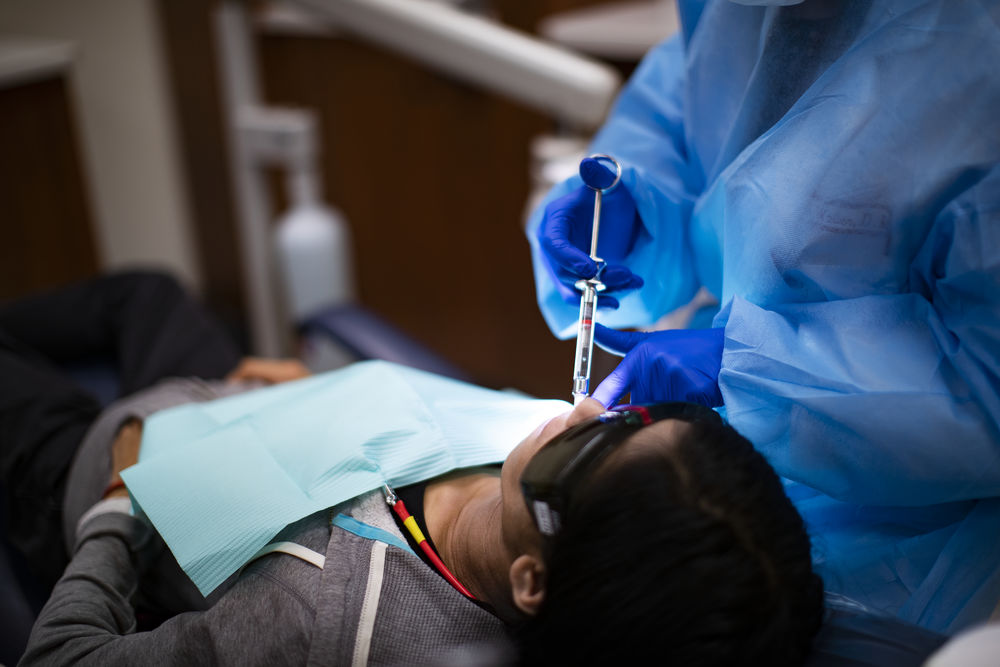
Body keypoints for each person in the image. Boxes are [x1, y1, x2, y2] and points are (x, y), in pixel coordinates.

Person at [2, 271, 823, 665]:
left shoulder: (314, 615)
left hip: (115, 461)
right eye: (625, 418)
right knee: (149, 292)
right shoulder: (529, 476)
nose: (578, 410)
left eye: (589, 444)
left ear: (533, 582)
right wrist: (314, 389)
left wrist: (118, 504)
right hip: (230, 398)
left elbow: (59, 660)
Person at [526, 0, 1000, 634]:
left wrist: (755, 373)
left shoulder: (978, 61)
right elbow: (685, 137)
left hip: (900, 544)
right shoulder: (728, 14)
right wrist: (631, 216)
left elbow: (986, 393)